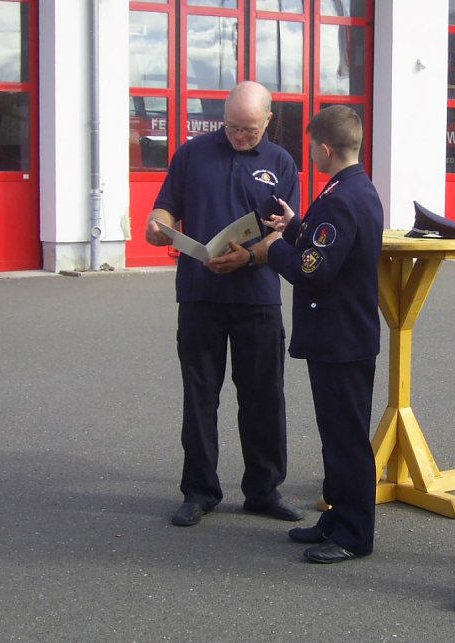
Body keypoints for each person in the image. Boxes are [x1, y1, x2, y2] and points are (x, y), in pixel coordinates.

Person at [145, 80, 304, 527]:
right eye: (232, 126)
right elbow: (165, 209)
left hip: (257, 297)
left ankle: (264, 489)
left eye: (249, 130)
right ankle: (199, 490)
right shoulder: (192, 154)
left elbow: (285, 231)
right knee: (200, 396)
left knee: (264, 397)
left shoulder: (281, 162)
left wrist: (250, 255)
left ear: (268, 120)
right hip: (200, 295)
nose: (238, 137)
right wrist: (158, 225)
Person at [241, 105, 384, 563]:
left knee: (346, 440)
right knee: (336, 435)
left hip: (341, 339)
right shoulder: (354, 188)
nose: (311, 156)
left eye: (311, 148)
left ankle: (354, 533)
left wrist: (274, 249)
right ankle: (336, 517)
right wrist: (298, 227)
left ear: (324, 148)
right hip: (343, 336)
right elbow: (331, 245)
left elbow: (314, 269)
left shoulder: (342, 197)